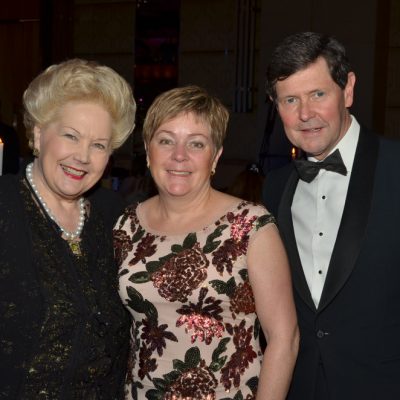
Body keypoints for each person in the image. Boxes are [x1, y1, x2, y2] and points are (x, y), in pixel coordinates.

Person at [114, 85, 299, 400]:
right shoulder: (127, 225)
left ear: (216, 156)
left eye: (196, 143)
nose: (179, 155)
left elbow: (285, 338)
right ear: (147, 149)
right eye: (166, 140)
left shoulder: (250, 225)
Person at [262, 31, 400, 400]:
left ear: (348, 89)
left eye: (318, 94)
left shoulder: (396, 168)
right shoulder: (274, 188)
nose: (305, 114)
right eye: (290, 100)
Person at [0, 58, 136, 399]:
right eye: (71, 136)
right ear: (38, 133)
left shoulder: (115, 216)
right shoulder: (4, 206)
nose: (83, 157)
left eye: (99, 145)